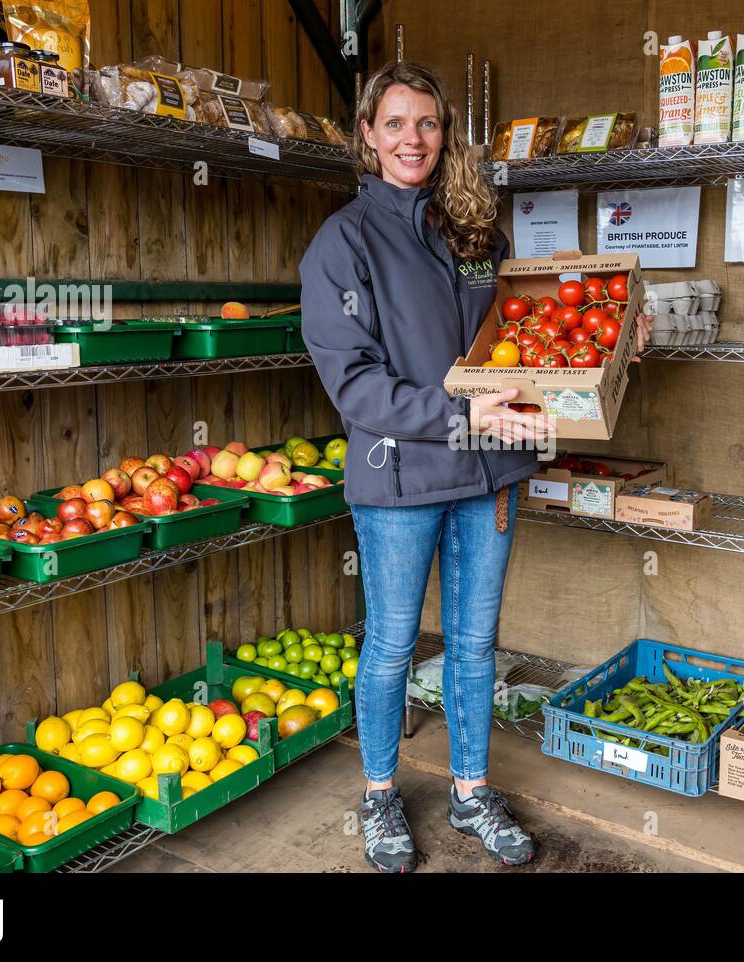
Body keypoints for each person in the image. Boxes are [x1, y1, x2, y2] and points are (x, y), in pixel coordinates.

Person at [300, 61, 551, 873]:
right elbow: (356, 382)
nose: (414, 139)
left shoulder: (474, 233)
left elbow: (518, 339)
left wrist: (616, 339)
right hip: (400, 478)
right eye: (397, 123)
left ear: (446, 136)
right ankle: (379, 796)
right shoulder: (342, 243)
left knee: (474, 645)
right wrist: (455, 415)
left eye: (429, 124)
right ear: (367, 135)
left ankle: (470, 791)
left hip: (490, 477)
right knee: (392, 647)